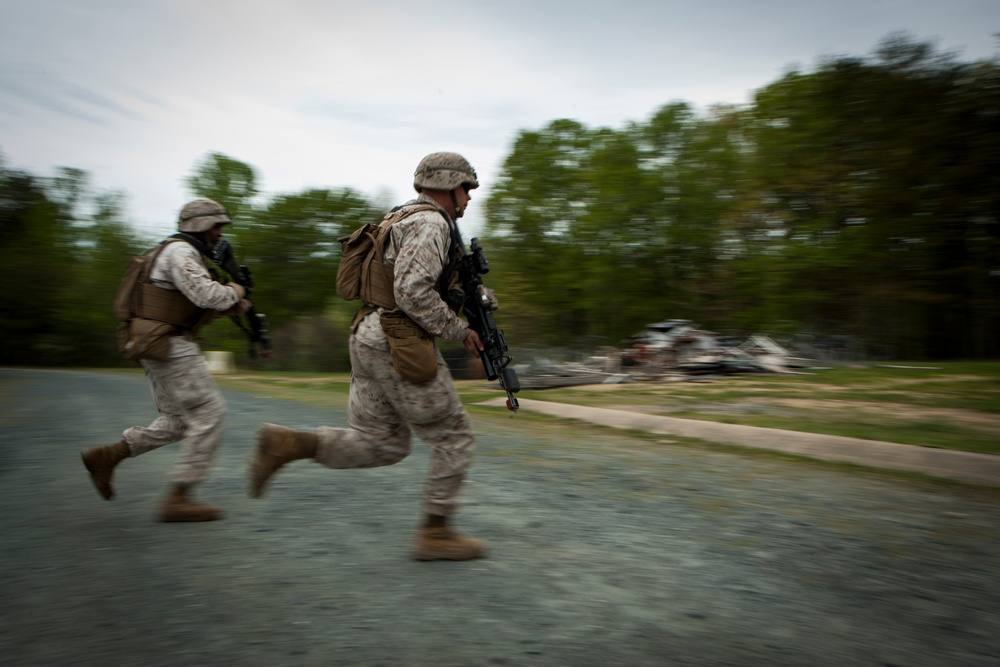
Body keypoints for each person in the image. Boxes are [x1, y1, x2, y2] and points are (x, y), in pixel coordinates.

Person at [249, 152, 489, 561]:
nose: (468, 198)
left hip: (368, 334)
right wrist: (459, 330)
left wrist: (477, 301)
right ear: (450, 185)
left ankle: (289, 444)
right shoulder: (431, 224)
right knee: (454, 437)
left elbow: (418, 284)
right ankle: (436, 532)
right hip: (398, 341)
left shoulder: (400, 217)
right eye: (467, 188)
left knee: (382, 443)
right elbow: (413, 291)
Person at [81, 199, 250, 522]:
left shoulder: (176, 252)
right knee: (209, 414)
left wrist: (231, 302)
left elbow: (194, 300)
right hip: (169, 344)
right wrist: (236, 290)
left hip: (157, 343)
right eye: (215, 225)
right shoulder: (181, 253)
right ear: (198, 226)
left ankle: (109, 456)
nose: (219, 232)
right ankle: (179, 497)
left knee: (181, 421)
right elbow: (208, 296)